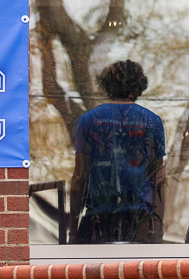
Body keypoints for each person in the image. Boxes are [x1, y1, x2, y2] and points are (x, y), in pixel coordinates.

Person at [70, 59, 167, 244]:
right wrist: (158, 227)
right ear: (139, 85)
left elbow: (79, 177)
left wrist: (72, 229)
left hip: (98, 217)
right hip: (139, 218)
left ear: (107, 85)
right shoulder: (153, 121)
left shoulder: (89, 120)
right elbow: (159, 180)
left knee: (96, 271)